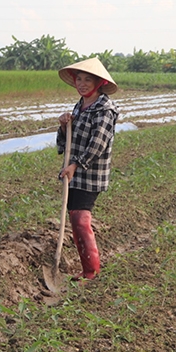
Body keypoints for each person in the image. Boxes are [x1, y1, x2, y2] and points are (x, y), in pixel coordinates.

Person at [56, 57, 119, 281]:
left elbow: (98, 144)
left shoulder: (105, 109)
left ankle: (91, 272)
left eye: (87, 80)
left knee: (81, 219)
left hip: (90, 173)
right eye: (79, 79)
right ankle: (87, 268)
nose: (82, 84)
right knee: (75, 217)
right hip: (75, 171)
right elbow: (69, 140)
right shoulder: (80, 105)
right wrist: (64, 125)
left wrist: (75, 164)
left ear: (99, 83)